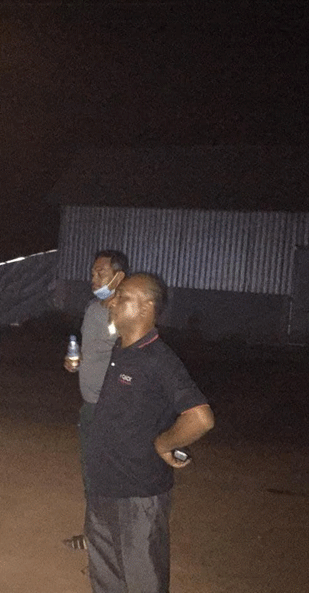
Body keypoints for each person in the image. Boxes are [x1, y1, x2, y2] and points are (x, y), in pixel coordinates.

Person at [83, 273, 215, 592]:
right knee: (106, 581)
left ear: (146, 308)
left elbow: (200, 417)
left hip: (138, 497)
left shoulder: (159, 359)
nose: (112, 302)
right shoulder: (122, 350)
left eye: (122, 297)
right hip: (103, 489)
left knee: (142, 582)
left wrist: (163, 444)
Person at [63, 250, 129, 551]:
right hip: (90, 405)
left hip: (112, 409)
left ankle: (110, 544)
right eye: (92, 273)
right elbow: (90, 350)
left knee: (109, 477)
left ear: (119, 276)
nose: (94, 278)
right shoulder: (92, 309)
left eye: (101, 273)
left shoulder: (127, 313)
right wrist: (73, 362)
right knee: (91, 475)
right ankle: (94, 535)